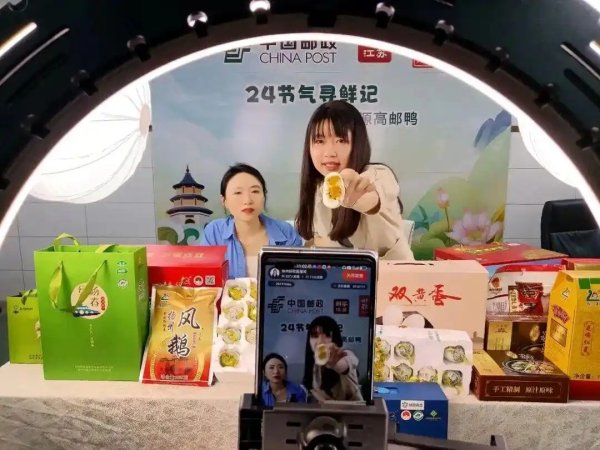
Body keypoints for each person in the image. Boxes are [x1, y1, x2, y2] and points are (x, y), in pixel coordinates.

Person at [295, 100, 414, 260]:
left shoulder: (379, 175)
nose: (329, 152)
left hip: (394, 274)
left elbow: (371, 199)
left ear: (357, 144)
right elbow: (320, 242)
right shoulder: (319, 189)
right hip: (346, 274)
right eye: (319, 141)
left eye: (341, 140)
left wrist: (353, 195)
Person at [200, 163, 303, 279]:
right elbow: (205, 279)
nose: (247, 200)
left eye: (255, 191)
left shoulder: (286, 232)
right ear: (224, 201)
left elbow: (297, 279)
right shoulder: (214, 232)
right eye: (238, 192)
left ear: (264, 196)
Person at [302, 316, 363, 402]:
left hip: (353, 410)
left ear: (335, 339)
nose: (320, 341)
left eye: (327, 335)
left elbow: (346, 364)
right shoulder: (313, 365)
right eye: (315, 335)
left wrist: (334, 365)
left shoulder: (345, 354)